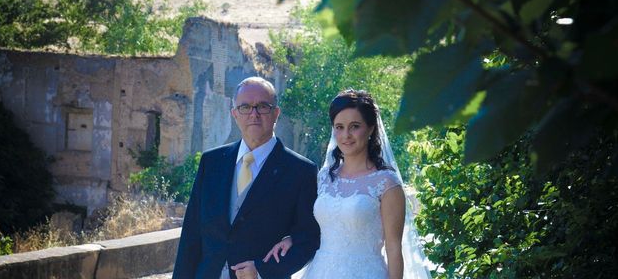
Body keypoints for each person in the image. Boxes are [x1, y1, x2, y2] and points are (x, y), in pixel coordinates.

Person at [264, 89, 432, 279]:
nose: (346, 135)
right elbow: (315, 228)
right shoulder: (324, 177)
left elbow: (394, 249)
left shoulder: (387, 183)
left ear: (370, 128)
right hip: (320, 271)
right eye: (339, 127)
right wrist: (292, 238)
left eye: (354, 126)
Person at [173, 76, 320, 279]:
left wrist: (262, 270)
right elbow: (192, 233)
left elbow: (308, 240)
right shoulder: (212, 162)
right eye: (245, 107)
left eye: (262, 106)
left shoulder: (301, 171)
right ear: (235, 114)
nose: (254, 114)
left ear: (276, 113)